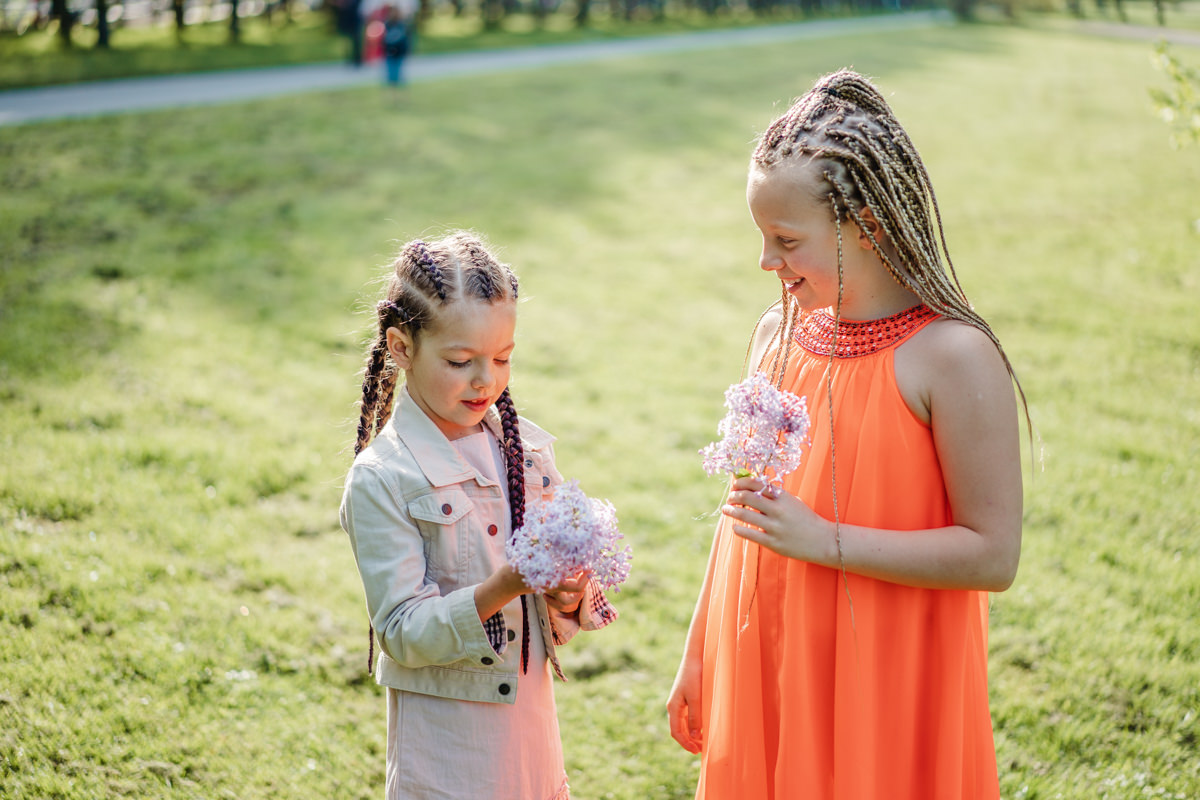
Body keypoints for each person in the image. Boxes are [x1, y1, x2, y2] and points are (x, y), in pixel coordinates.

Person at [667, 69, 1028, 799]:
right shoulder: (780, 334)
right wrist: (700, 651)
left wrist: (825, 541)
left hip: (885, 669)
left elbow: (993, 554)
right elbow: (745, 509)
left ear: (867, 226)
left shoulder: (951, 358)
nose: (766, 262)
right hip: (764, 651)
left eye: (786, 239)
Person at [341, 232, 617, 800]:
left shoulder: (523, 452)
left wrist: (567, 589)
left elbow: (560, 607)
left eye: (503, 357)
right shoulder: (383, 477)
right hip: (448, 756)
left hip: (528, 744)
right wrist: (503, 586)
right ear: (400, 347)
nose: (486, 380)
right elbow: (402, 632)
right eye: (461, 361)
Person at [381, 3, 411, 88]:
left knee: (399, 73)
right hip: (389, 52)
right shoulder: (387, 25)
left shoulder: (401, 25)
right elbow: (384, 40)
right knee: (390, 74)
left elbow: (405, 39)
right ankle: (392, 91)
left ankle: (400, 91)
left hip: (399, 52)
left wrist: (406, 51)